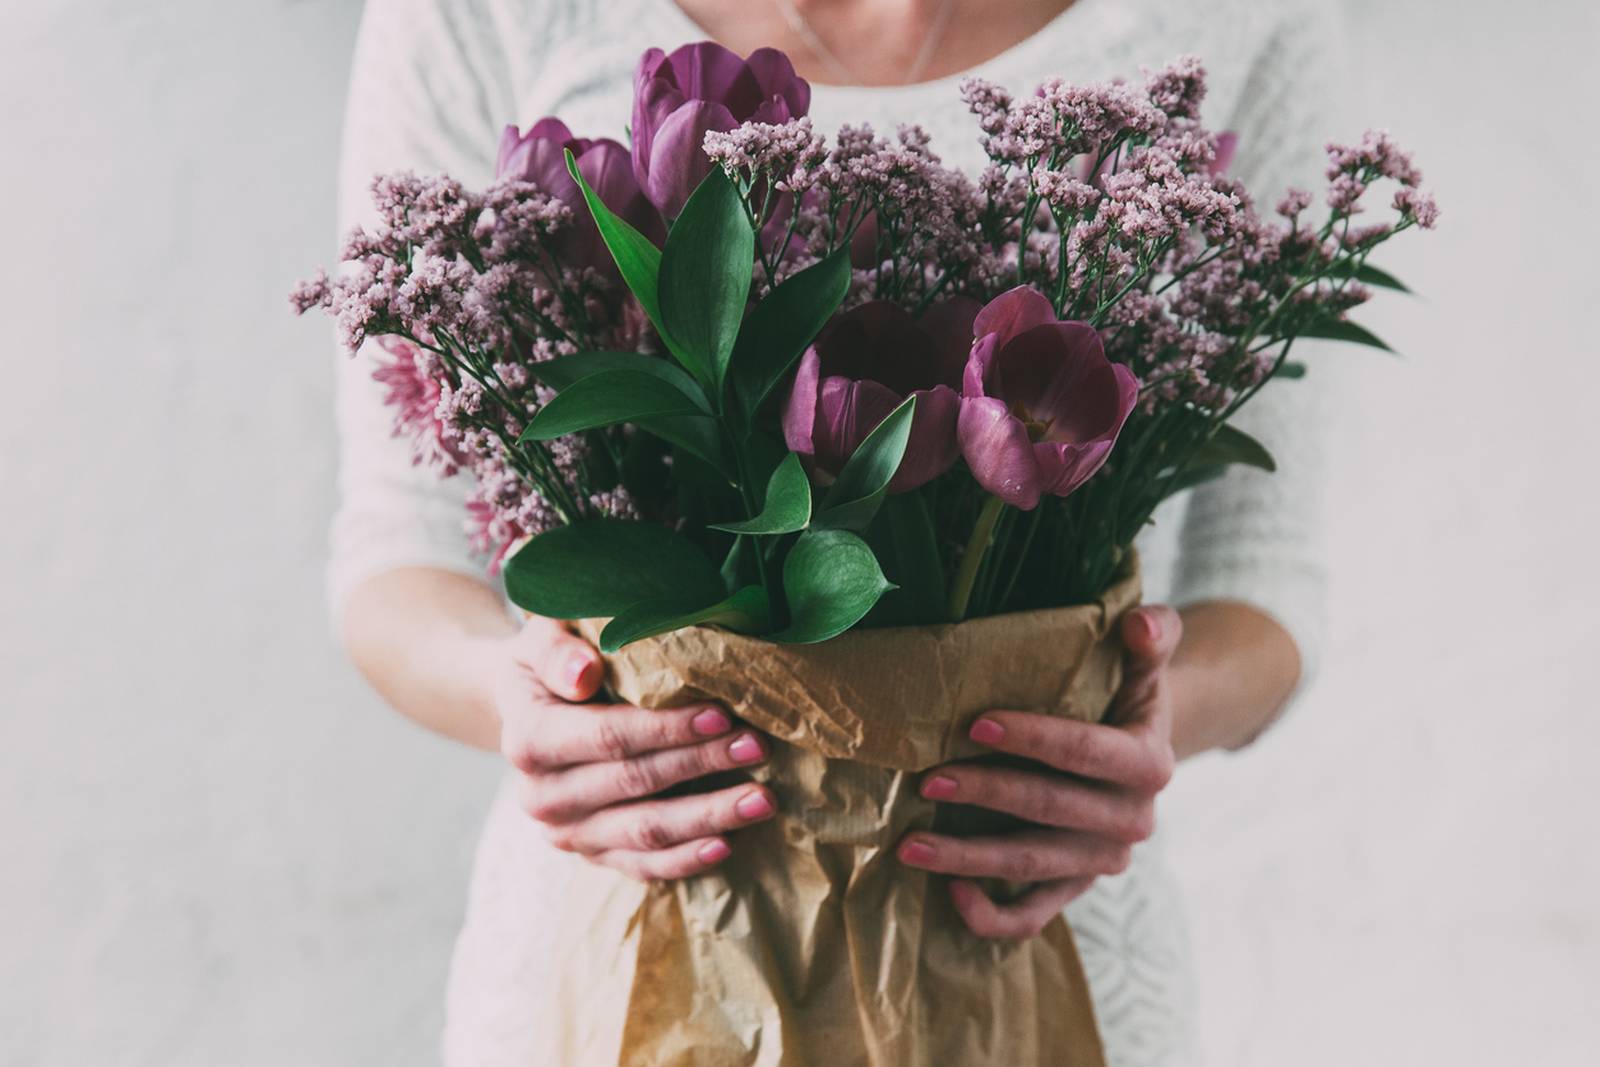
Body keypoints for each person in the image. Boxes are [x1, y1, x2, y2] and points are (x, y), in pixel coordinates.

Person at [330, 0, 1341, 1062]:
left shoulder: (1243, 18)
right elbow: (397, 552)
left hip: (1023, 937)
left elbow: (1270, 584)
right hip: (636, 941)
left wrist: (1121, 736)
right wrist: (518, 697)